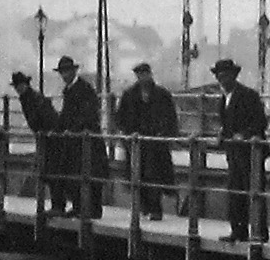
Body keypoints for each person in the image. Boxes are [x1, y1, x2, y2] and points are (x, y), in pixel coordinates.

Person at [210, 58, 268, 242]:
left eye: (225, 76)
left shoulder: (248, 95)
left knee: (254, 191)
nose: (222, 80)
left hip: (250, 151)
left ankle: (260, 232)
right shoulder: (224, 99)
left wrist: (244, 134)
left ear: (234, 76)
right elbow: (227, 123)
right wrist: (223, 134)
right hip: (234, 151)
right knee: (235, 191)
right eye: (219, 77)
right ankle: (239, 230)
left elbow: (261, 122)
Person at [112, 61, 179, 220]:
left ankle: (155, 209)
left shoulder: (162, 94)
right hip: (136, 142)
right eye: (139, 75)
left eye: (145, 74)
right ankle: (144, 207)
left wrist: (166, 135)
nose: (143, 77)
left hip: (155, 143)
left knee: (154, 175)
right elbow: (120, 116)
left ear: (150, 74)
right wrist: (127, 133)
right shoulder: (129, 94)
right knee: (137, 175)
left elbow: (171, 117)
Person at [12, 70, 74, 213]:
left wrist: (45, 132)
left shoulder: (33, 98)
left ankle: (58, 205)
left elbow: (46, 118)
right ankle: (58, 204)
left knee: (52, 172)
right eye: (16, 86)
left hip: (51, 139)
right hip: (47, 138)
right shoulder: (30, 97)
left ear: (25, 85)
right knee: (51, 172)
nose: (18, 89)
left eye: (19, 85)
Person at [51, 54, 104, 218]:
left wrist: (73, 129)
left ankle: (93, 209)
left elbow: (88, 114)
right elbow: (66, 114)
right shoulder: (69, 90)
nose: (64, 75)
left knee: (89, 174)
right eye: (62, 72)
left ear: (73, 72)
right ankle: (78, 206)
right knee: (74, 174)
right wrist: (58, 130)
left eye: (66, 72)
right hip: (75, 140)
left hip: (88, 139)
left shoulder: (84, 89)